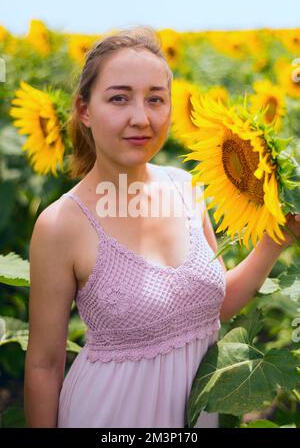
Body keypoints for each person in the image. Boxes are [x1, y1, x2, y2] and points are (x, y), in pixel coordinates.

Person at [24, 26, 300, 429]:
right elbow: (45, 366)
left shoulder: (188, 187)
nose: (141, 118)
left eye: (156, 99)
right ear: (84, 110)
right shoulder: (61, 224)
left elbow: (214, 305)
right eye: (119, 98)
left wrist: (278, 239)